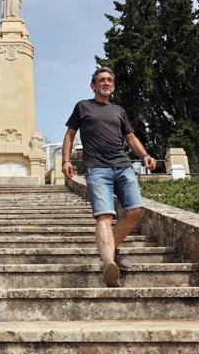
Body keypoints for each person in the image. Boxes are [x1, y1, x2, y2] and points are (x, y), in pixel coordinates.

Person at [62, 67, 156, 287]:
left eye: (109, 80)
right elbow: (69, 135)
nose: (106, 82)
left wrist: (145, 155)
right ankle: (109, 265)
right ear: (93, 85)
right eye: (101, 80)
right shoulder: (83, 107)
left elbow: (130, 138)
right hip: (97, 168)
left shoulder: (119, 111)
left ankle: (109, 247)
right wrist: (66, 160)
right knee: (104, 215)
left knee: (134, 210)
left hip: (123, 166)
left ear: (112, 85)